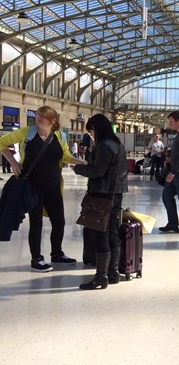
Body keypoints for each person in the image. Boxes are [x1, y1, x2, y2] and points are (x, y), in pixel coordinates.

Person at [0, 106, 83, 272]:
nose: (39, 118)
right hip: (32, 187)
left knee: (59, 221)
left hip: (53, 186)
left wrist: (83, 163)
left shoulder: (61, 136)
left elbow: (66, 156)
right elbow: (2, 143)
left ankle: (57, 253)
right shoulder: (27, 133)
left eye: (43, 116)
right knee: (36, 223)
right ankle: (36, 258)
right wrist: (14, 163)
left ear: (52, 120)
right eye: (38, 115)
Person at [73, 115, 128, 289]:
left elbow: (97, 171)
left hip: (102, 195)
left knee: (100, 233)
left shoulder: (104, 146)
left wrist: (78, 168)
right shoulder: (118, 144)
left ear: (98, 129)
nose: (91, 134)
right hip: (116, 194)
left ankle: (101, 277)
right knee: (112, 232)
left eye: (91, 130)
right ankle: (113, 273)